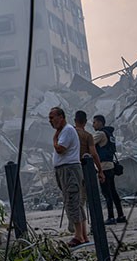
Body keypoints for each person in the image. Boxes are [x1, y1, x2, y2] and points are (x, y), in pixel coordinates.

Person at [49, 106, 86, 247]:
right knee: (74, 201)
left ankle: (78, 236)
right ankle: (83, 234)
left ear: (61, 117)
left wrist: (54, 139)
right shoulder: (64, 131)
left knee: (72, 200)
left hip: (69, 170)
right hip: (64, 170)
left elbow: (60, 149)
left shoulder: (67, 130)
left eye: (52, 117)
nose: (50, 121)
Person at [92, 115, 125, 224]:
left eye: (95, 122)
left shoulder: (100, 134)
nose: (93, 125)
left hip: (103, 166)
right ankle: (120, 216)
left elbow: (89, 143)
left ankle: (111, 217)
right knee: (113, 192)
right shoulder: (110, 134)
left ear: (101, 122)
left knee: (107, 193)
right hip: (110, 165)